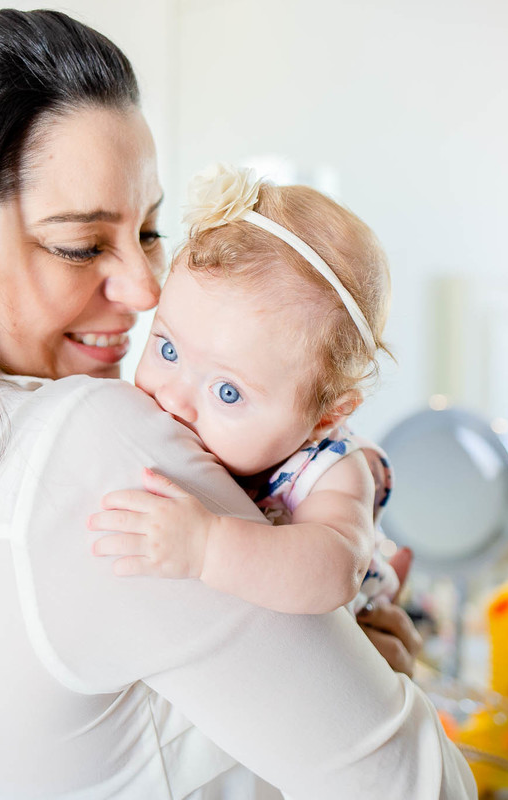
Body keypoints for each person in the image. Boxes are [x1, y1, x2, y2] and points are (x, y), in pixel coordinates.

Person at [0, 9, 475, 799]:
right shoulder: (94, 446)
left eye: (151, 230)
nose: (145, 290)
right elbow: (423, 785)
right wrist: (366, 674)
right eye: (82, 245)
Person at [89, 165, 401, 616]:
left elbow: (335, 572)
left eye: (228, 393)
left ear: (327, 417)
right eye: (169, 350)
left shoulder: (329, 471)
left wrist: (206, 547)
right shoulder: (158, 418)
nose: (172, 399)